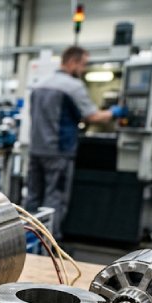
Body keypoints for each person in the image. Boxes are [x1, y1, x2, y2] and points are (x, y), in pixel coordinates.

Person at [26, 45, 126, 241]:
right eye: (83, 65)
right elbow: (93, 116)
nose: (83, 70)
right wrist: (116, 112)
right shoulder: (73, 86)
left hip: (36, 150)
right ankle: (50, 246)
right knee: (54, 200)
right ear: (72, 62)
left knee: (32, 198)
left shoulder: (39, 85)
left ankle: (28, 243)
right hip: (59, 152)